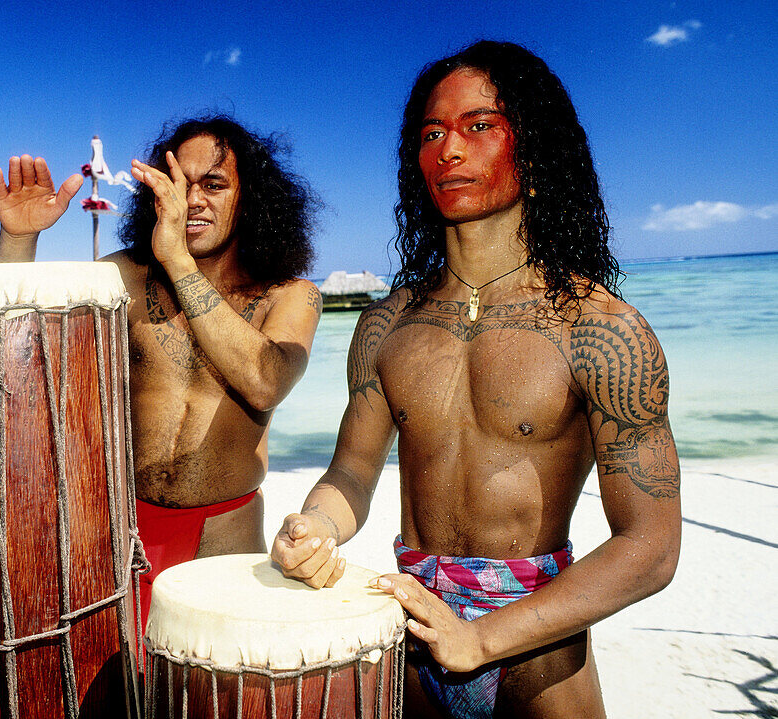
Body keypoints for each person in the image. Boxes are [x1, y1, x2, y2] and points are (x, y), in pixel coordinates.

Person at [271, 41, 681, 718]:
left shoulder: (600, 329)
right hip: (414, 639)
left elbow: (651, 545)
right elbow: (351, 472)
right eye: (432, 133)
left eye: (479, 125)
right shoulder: (387, 323)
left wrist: (482, 637)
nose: (449, 150)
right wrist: (313, 524)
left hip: (537, 652)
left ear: (535, 146)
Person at [0, 115, 322, 631]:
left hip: (226, 537)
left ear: (249, 199)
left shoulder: (290, 294)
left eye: (213, 185)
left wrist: (178, 261)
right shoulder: (124, 275)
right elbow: (13, 345)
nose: (192, 201)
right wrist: (19, 240)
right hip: (124, 534)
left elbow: (265, 382)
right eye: (177, 184)